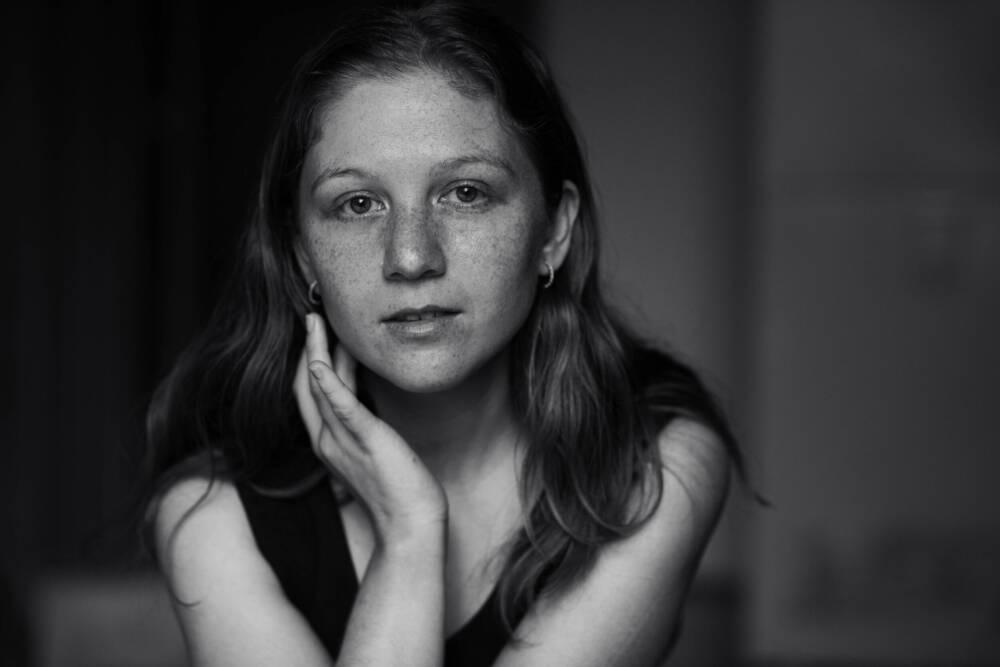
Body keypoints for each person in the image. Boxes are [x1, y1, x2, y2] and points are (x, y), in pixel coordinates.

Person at [142, 2, 746, 665]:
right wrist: (408, 534)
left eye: (464, 193)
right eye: (357, 203)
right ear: (302, 254)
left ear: (553, 231)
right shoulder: (212, 518)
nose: (410, 256)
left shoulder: (655, 460)